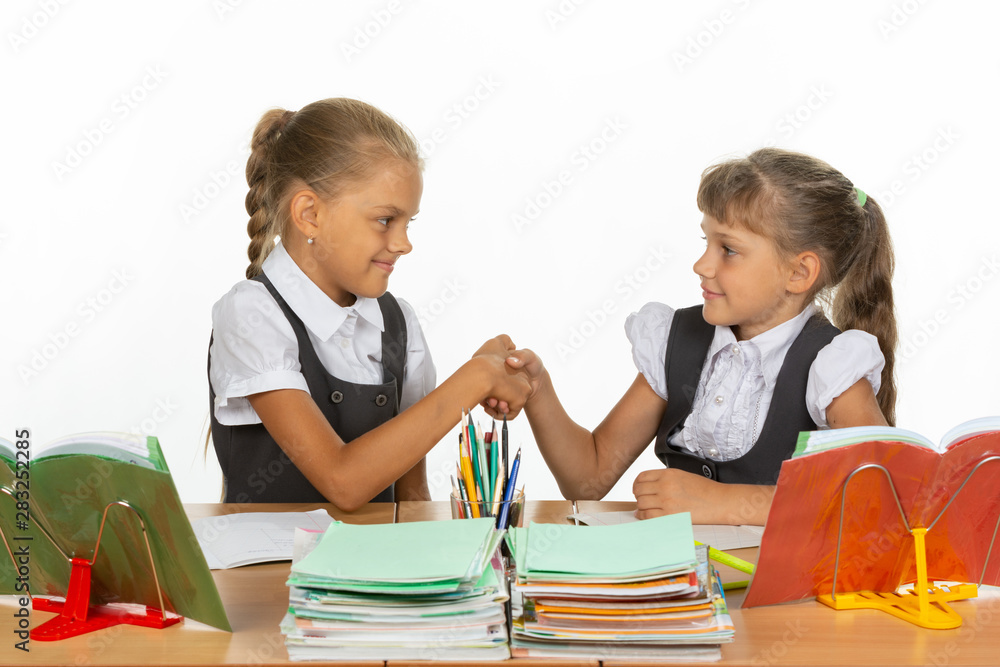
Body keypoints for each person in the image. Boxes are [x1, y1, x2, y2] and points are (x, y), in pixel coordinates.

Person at [495, 148, 897, 525]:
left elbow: (878, 499)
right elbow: (587, 482)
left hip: (776, 581)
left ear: (798, 273)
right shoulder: (677, 343)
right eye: (706, 241)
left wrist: (722, 503)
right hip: (680, 576)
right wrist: (538, 391)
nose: (701, 265)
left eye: (729, 249)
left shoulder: (831, 367)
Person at [208, 98, 530, 509]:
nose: (404, 243)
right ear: (310, 215)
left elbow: (412, 497)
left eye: (408, 223)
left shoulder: (399, 324)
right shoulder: (252, 314)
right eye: (385, 220)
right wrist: (476, 378)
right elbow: (342, 481)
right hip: (267, 554)